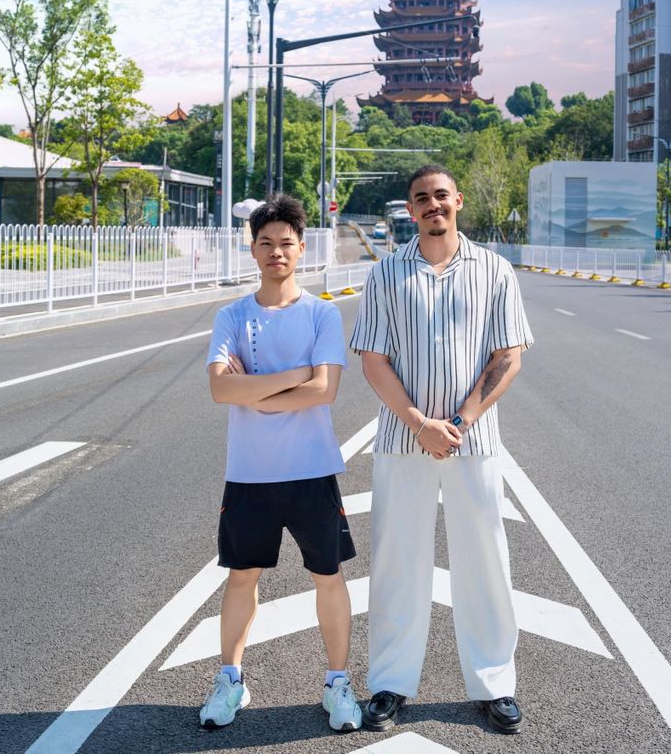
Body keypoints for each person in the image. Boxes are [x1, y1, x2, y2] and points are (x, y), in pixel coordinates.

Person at [350, 165, 534, 735]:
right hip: (402, 442)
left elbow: (509, 354)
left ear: (457, 200)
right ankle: (389, 684)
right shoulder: (386, 274)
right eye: (420, 199)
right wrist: (418, 422)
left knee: (485, 563)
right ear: (410, 210)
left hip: (472, 442)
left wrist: (459, 420)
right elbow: (373, 360)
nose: (432, 205)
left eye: (440, 196)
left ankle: (494, 684)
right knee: (397, 563)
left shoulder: (495, 270)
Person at [200, 193, 362, 732]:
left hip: (311, 471)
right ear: (253, 250)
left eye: (286, 244)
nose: (276, 252)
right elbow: (220, 392)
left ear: (301, 249)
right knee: (241, 578)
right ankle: (230, 680)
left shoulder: (322, 312)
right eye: (266, 243)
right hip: (249, 474)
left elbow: (325, 391)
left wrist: (255, 390)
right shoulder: (232, 315)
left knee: (329, 577)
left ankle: (338, 683)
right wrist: (294, 375)